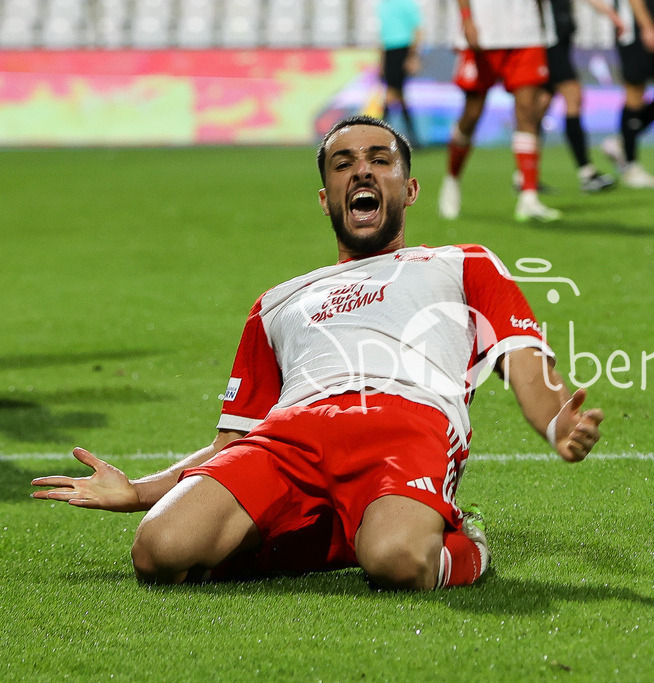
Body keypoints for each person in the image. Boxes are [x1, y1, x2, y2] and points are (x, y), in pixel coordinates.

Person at [31, 116, 605, 591]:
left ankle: (466, 544)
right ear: (326, 196)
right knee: (158, 553)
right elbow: (230, 445)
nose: (363, 169)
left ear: (408, 190)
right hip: (291, 438)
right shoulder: (275, 304)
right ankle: (338, 529)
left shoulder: (463, 263)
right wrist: (136, 493)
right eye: (344, 163)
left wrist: (557, 422)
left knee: (397, 561)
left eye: (381, 159)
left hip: (407, 423)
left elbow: (527, 364)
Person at [439, 0, 562, 222]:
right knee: (472, 114)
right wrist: (466, 18)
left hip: (527, 32)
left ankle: (529, 196)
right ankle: (452, 179)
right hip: (485, 31)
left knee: (527, 111)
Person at [534, 0, 624, 193]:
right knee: (573, 97)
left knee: (541, 104)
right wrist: (611, 14)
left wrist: (609, 13)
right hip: (551, 41)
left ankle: (524, 176)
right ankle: (587, 173)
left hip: (557, 41)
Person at [600, 0, 654, 189]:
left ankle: (621, 141)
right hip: (634, 28)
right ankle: (631, 166)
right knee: (635, 93)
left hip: (651, 24)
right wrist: (647, 27)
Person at [376, 0, 422, 147]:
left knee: (391, 93)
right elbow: (383, 34)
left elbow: (418, 29)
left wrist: (412, 56)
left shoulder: (407, 3)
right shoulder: (383, 4)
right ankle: (413, 138)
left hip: (403, 49)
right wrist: (382, 61)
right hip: (390, 52)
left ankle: (379, 136)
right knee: (398, 94)